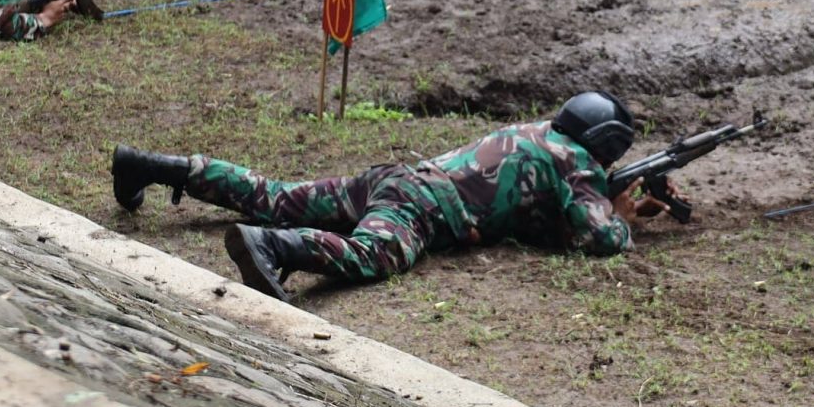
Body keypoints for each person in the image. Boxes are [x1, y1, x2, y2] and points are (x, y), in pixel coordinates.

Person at [111, 91, 669, 297]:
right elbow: (601, 240)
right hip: (421, 209)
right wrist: (620, 215)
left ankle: (154, 166)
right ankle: (274, 250)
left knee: (274, 194)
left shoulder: (535, 134)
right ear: (605, 143)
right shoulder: (575, 163)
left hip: (396, 178)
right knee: (374, 255)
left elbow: (529, 214)